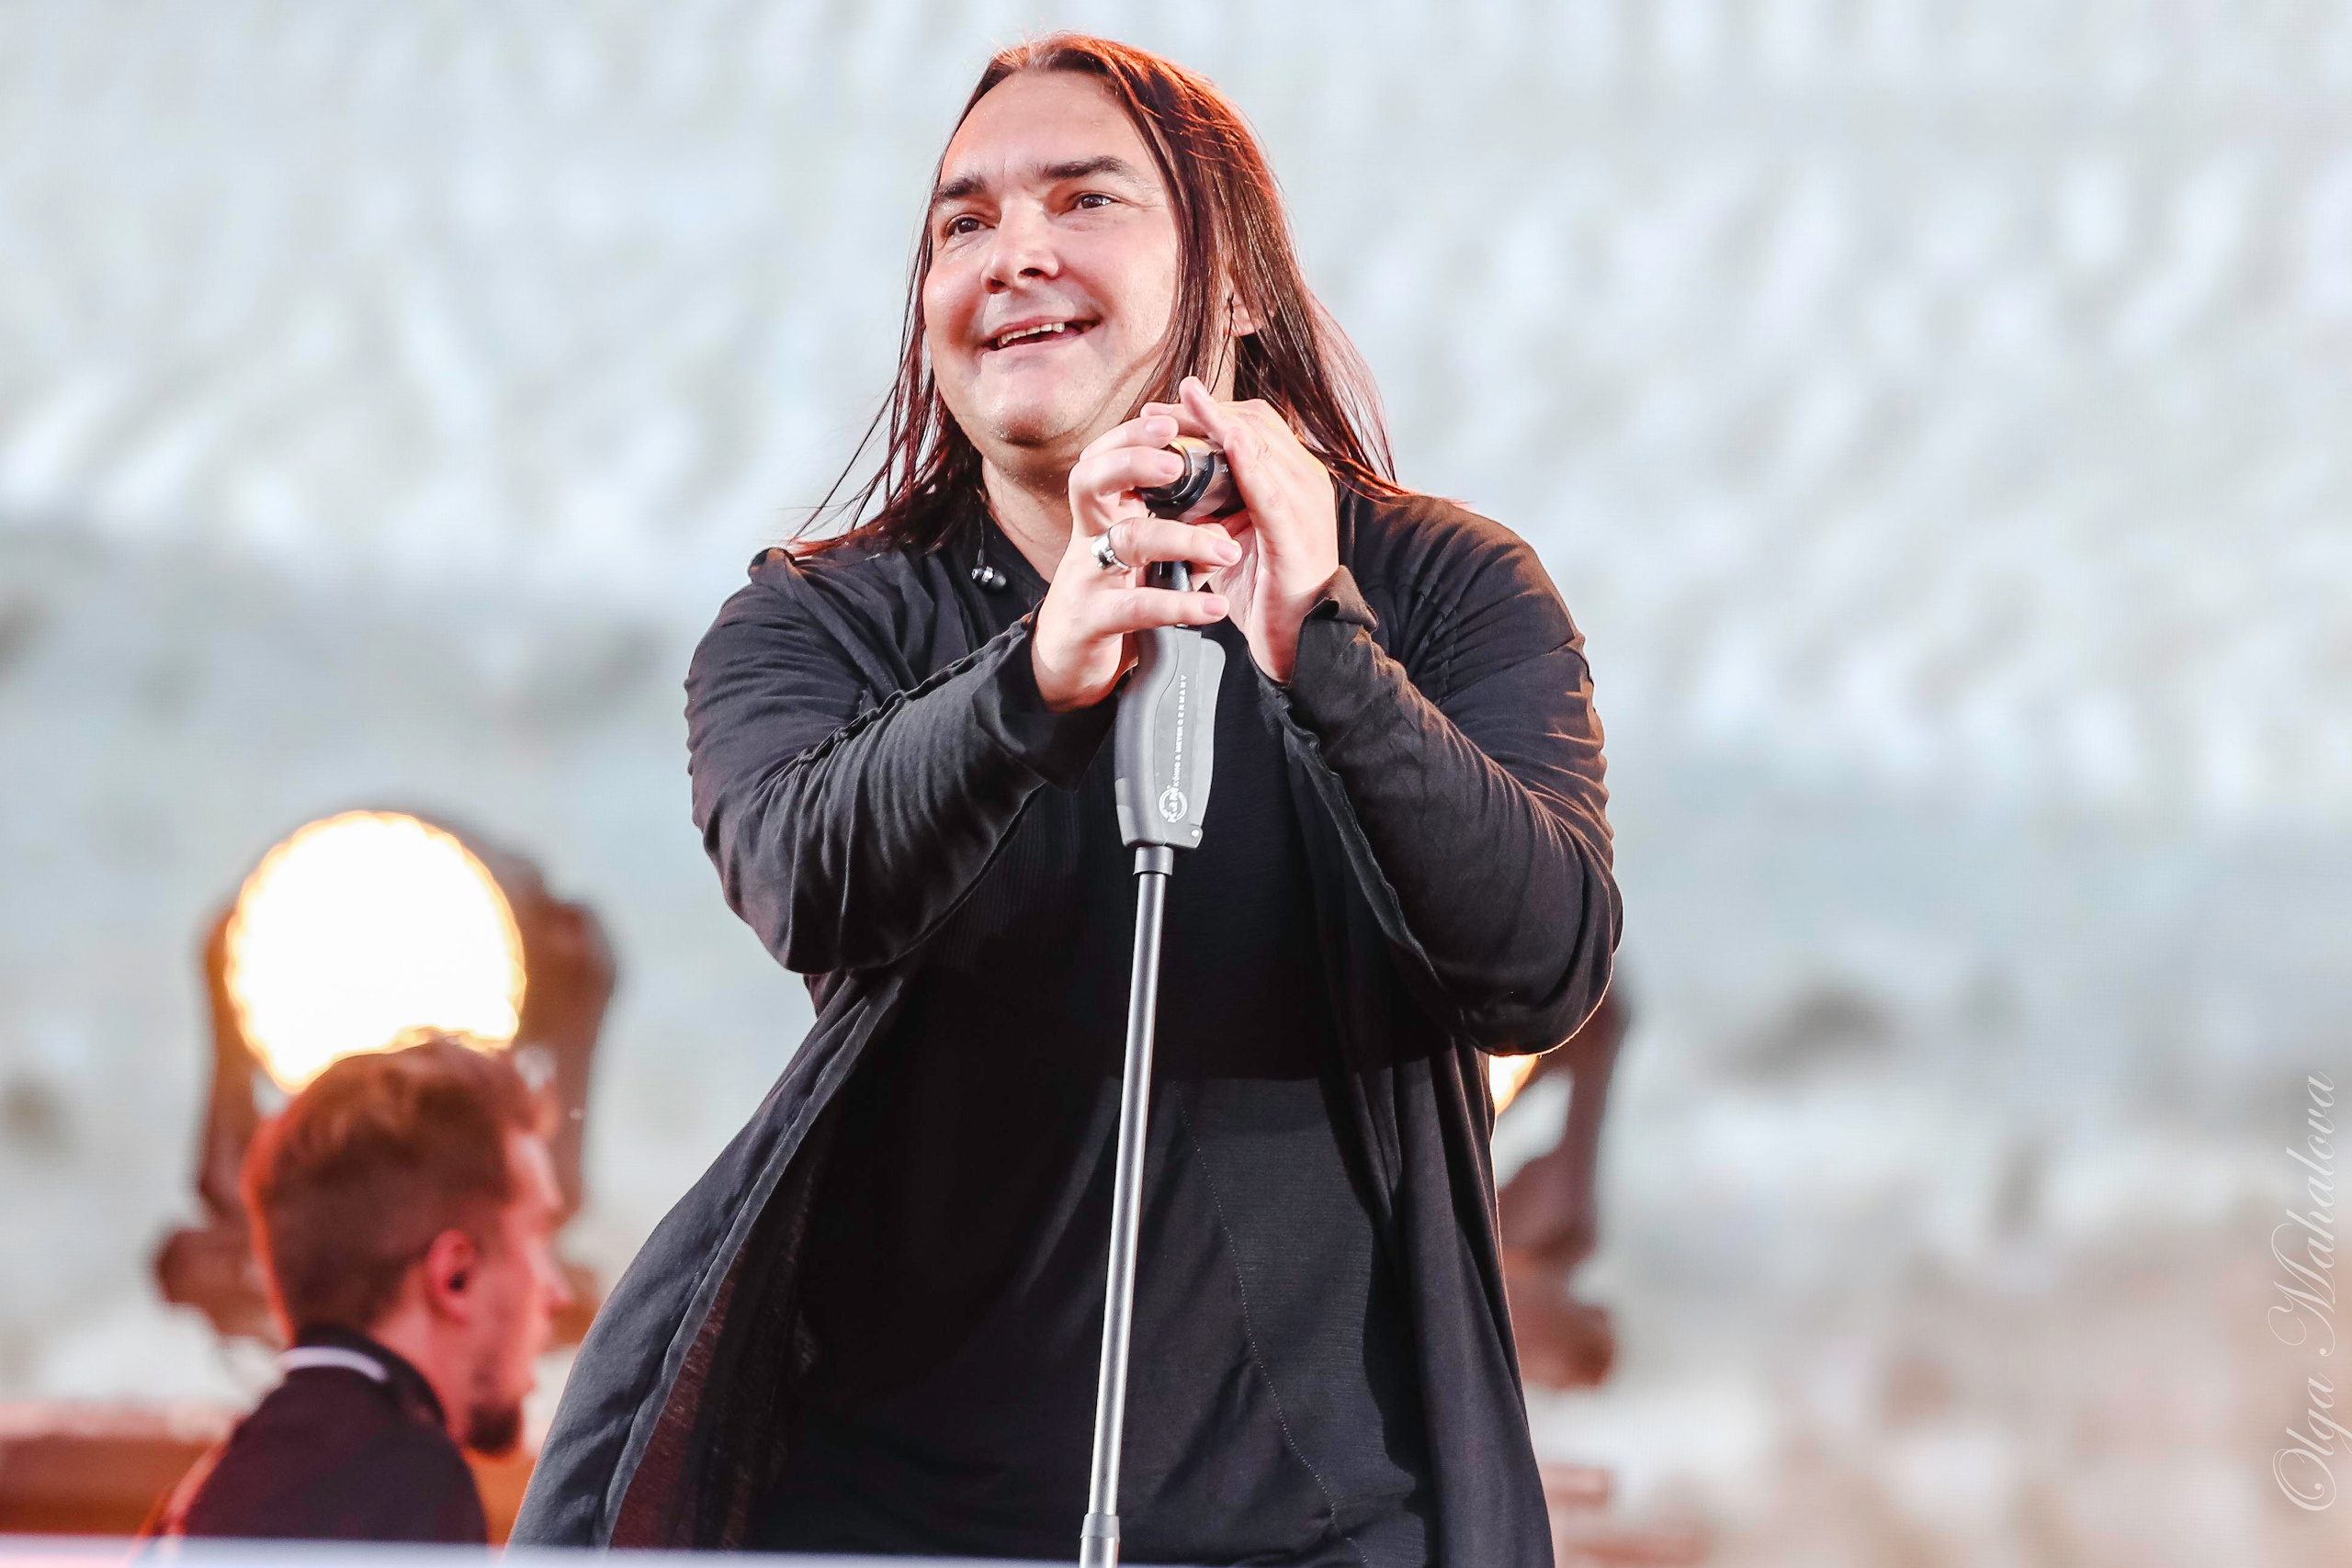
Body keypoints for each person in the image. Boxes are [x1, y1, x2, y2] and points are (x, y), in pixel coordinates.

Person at [515, 34, 1619, 1567]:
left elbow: (1544, 959)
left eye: (1083, 200)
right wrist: (1035, 678)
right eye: (963, 224)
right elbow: (806, 873)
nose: (1014, 251)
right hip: (890, 1520)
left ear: (1235, 283)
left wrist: (1330, 659)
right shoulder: (822, 621)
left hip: (1330, 1526)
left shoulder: (1437, 590)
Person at [147, 1033, 573, 1542]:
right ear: (455, 1276)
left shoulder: (202, 1495)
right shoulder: (408, 1481)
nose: (558, 1292)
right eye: (538, 1238)